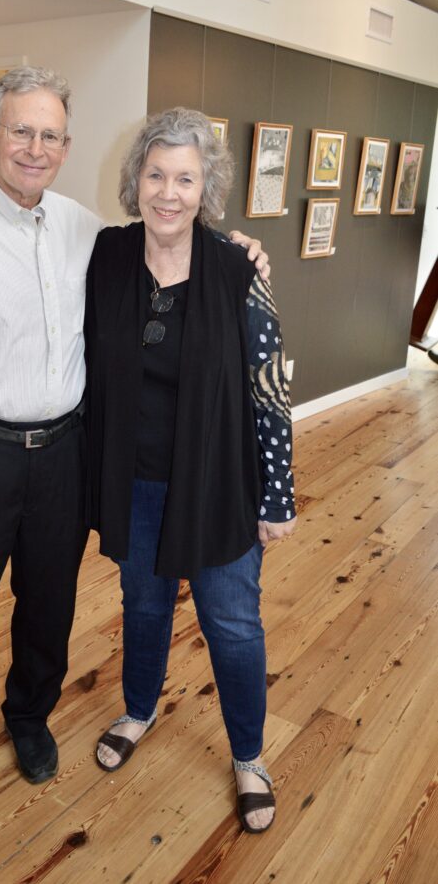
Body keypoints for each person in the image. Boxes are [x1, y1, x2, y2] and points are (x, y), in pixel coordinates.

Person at [0, 67, 269, 836]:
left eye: (50, 135)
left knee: (48, 607)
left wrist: (238, 249)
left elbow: (174, 242)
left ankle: (28, 717)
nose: (34, 147)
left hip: (63, 455)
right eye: (20, 130)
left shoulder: (88, 233)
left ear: (66, 146)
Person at [84, 108, 296, 834]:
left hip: (218, 485)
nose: (167, 193)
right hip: (133, 484)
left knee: (231, 623)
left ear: (205, 188)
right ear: (134, 181)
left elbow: (269, 388)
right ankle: (138, 710)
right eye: (155, 175)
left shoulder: (238, 269)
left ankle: (247, 756)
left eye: (184, 178)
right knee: (142, 608)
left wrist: (275, 497)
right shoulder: (106, 257)